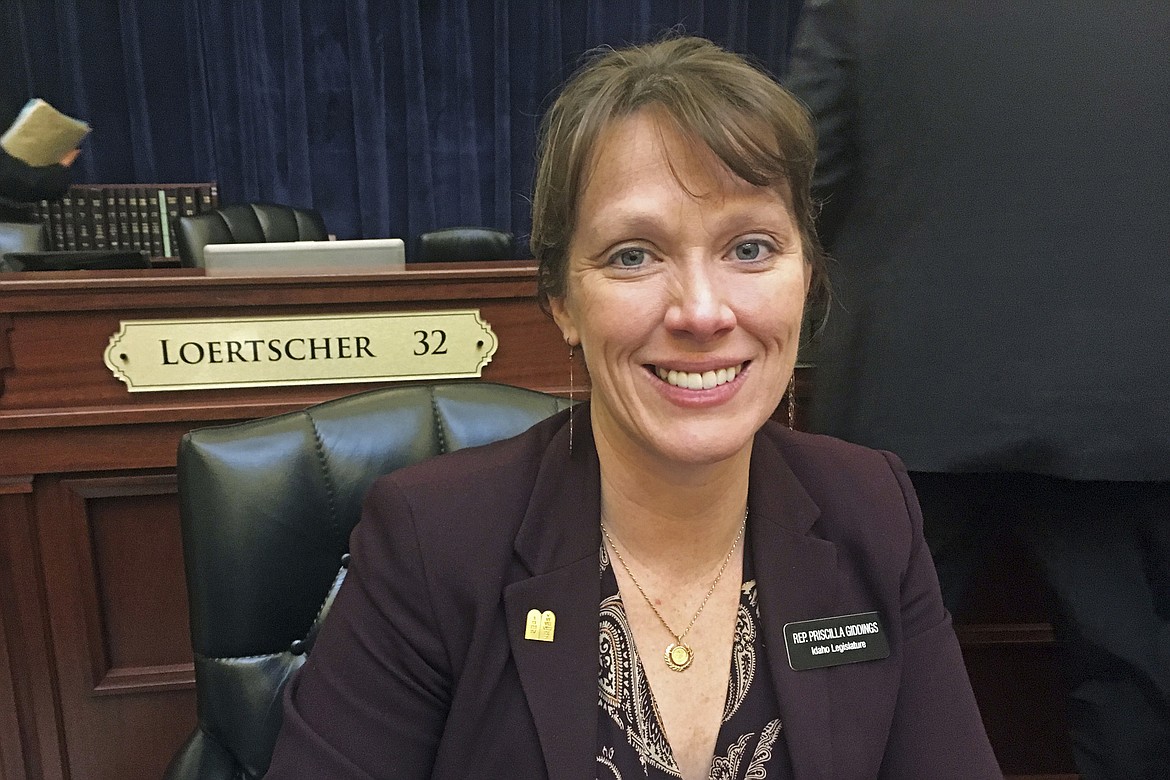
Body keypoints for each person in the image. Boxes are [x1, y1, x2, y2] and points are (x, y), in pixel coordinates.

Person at [266, 36, 998, 779]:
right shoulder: (431, 541)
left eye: (749, 248)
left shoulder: (871, 508)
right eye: (633, 255)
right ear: (562, 301)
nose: (702, 312)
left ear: (805, 275)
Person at [784, 2, 1170, 777]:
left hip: (910, 400)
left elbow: (799, 174)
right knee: (1134, 692)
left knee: (854, 671)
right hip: (1126, 405)